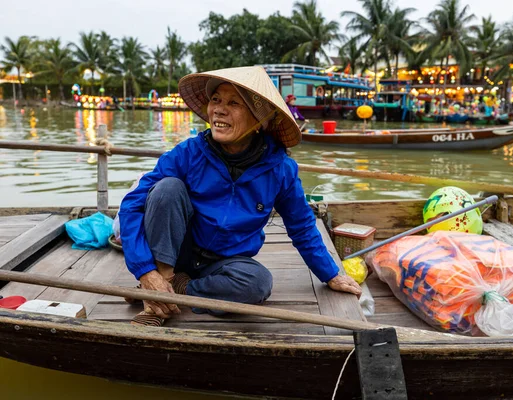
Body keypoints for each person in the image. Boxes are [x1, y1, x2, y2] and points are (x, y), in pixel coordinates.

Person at [118, 66, 361, 326]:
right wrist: (146, 271)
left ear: (260, 120)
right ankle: (160, 285)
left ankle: (180, 289)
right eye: (216, 100)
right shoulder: (188, 153)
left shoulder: (279, 169)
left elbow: (301, 226)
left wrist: (331, 274)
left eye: (234, 103)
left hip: (224, 263)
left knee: (257, 283)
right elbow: (132, 205)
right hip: (178, 250)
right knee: (166, 188)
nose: (219, 110)